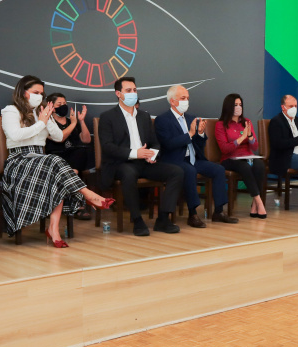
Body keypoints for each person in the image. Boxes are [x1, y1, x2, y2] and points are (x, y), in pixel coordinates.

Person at [0, 75, 113, 247]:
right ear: (23, 92)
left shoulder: (42, 112)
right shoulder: (10, 110)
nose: (39, 96)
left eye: (42, 93)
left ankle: (54, 228)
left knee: (55, 169)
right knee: (54, 162)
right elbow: (15, 135)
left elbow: (59, 137)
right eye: (35, 92)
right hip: (19, 160)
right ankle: (88, 195)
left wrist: (48, 119)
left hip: (40, 159)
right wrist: (41, 123)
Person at [98, 76, 184, 236]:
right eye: (128, 90)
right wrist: (134, 153)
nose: (133, 93)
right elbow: (107, 147)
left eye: (135, 90)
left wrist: (153, 155)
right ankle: (137, 220)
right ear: (118, 93)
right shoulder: (108, 117)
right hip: (120, 163)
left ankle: (163, 219)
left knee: (176, 172)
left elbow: (155, 143)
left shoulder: (144, 116)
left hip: (144, 163)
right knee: (129, 173)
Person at [154, 85, 238, 227]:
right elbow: (168, 144)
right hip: (175, 160)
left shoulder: (191, 118)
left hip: (194, 158)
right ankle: (193, 214)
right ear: (173, 101)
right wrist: (190, 134)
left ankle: (218, 211)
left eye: (187, 98)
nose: (186, 101)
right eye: (183, 98)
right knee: (190, 171)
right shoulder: (162, 120)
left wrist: (199, 133)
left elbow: (199, 145)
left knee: (218, 170)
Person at [214, 93, 267, 218]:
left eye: (240, 105)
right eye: (235, 105)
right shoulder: (220, 125)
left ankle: (254, 205)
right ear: (228, 107)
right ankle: (259, 202)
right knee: (244, 167)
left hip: (247, 156)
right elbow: (225, 149)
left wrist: (249, 136)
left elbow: (255, 147)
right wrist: (241, 138)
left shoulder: (247, 122)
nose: (239, 107)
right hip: (230, 158)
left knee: (259, 165)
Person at [45, 93, 94, 220]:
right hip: (57, 157)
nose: (63, 107)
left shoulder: (71, 121)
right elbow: (60, 138)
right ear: (51, 106)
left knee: (83, 150)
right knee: (76, 160)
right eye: (59, 104)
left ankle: (73, 174)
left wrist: (81, 122)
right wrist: (73, 123)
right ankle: (78, 205)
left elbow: (87, 139)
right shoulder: (47, 122)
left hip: (75, 157)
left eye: (65, 104)